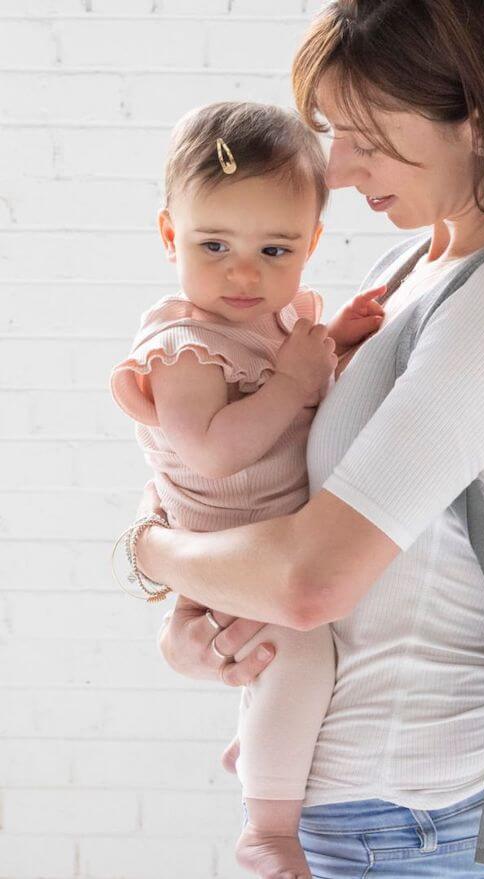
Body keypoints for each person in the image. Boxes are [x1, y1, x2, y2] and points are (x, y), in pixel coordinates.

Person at [129, 2, 484, 876]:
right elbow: (295, 538)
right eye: (330, 132)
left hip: (407, 827)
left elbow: (311, 581)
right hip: (357, 819)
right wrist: (201, 633)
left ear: (476, 116)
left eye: (368, 137)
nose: (340, 170)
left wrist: (148, 549)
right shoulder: (415, 270)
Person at [110, 100, 387, 879]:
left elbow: (288, 367)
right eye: (213, 244)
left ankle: (272, 736)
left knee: (324, 651)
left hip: (275, 542)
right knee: (298, 651)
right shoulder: (182, 346)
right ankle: (266, 829)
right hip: (234, 551)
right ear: (170, 236)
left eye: (275, 248)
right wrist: (300, 379)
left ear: (311, 244)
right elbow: (213, 450)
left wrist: (334, 343)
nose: (244, 272)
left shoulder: (277, 319)